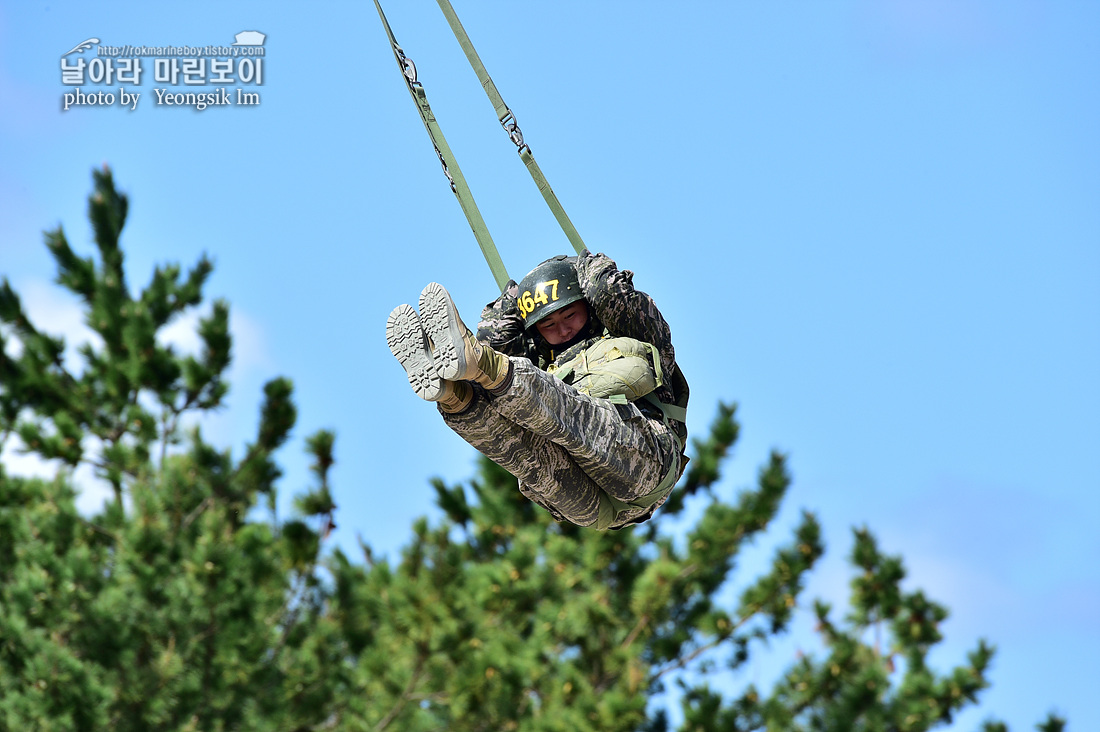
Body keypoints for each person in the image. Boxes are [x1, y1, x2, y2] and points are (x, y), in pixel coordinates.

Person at [386, 250, 688, 530]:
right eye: (548, 325)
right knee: (515, 446)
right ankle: (453, 397)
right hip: (591, 509)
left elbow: (610, 292)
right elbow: (497, 336)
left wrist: (578, 265)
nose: (563, 330)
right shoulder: (542, 361)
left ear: (587, 306)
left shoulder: (635, 331)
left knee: (568, 412)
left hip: (646, 465)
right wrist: (515, 302)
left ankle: (478, 360)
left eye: (569, 315)